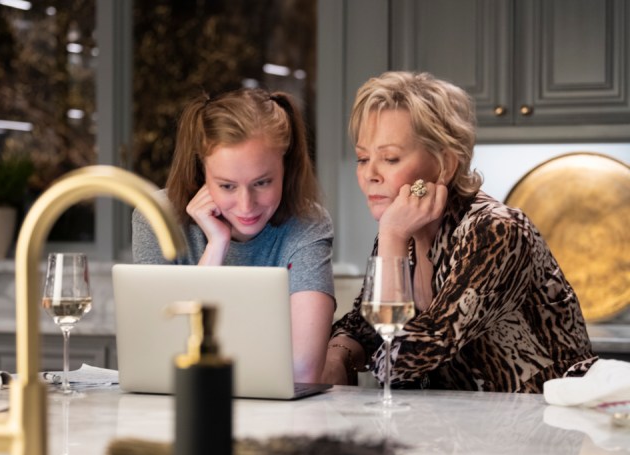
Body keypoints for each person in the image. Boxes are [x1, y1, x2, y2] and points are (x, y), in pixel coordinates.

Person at [322, 71, 597, 392]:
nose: (370, 174)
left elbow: (398, 362)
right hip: (459, 429)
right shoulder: (403, 223)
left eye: (390, 158)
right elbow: (364, 326)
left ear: (445, 164)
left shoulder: (495, 231)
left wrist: (392, 237)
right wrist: (336, 356)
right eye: (363, 158)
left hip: (542, 427)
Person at [133, 87, 335, 383]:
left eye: (262, 183)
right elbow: (158, 354)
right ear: (202, 172)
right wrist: (216, 247)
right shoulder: (156, 218)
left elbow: (303, 370)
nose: (246, 205)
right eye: (227, 186)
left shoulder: (309, 224)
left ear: (286, 167)